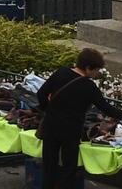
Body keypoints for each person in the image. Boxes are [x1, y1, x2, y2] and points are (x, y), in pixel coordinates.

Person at [36, 48, 112, 189]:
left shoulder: (61, 72)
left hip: (51, 125)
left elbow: (41, 94)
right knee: (68, 168)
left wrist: (49, 109)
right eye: (96, 70)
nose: (97, 74)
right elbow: (105, 107)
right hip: (71, 130)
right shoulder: (89, 86)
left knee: (49, 165)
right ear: (89, 68)